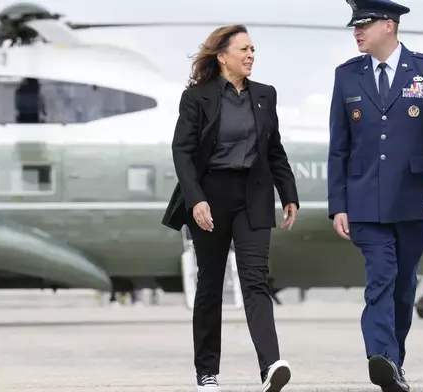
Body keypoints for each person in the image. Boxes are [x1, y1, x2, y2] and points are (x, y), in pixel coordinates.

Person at [327, 1, 423, 391]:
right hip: (364, 200)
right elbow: (339, 146)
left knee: (403, 288)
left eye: (364, 24)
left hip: (414, 197)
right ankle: (380, 357)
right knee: (380, 281)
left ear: (389, 25)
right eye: (355, 26)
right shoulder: (346, 76)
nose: (357, 32)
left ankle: (393, 364)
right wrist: (338, 204)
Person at [161, 24, 299, 392]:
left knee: (256, 280)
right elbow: (183, 152)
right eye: (244, 49)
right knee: (210, 284)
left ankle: (271, 366)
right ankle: (207, 372)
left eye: (253, 49)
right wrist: (196, 200)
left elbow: (275, 150)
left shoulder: (265, 95)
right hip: (211, 195)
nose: (251, 55)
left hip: (253, 194)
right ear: (223, 56)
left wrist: (289, 194)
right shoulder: (197, 97)